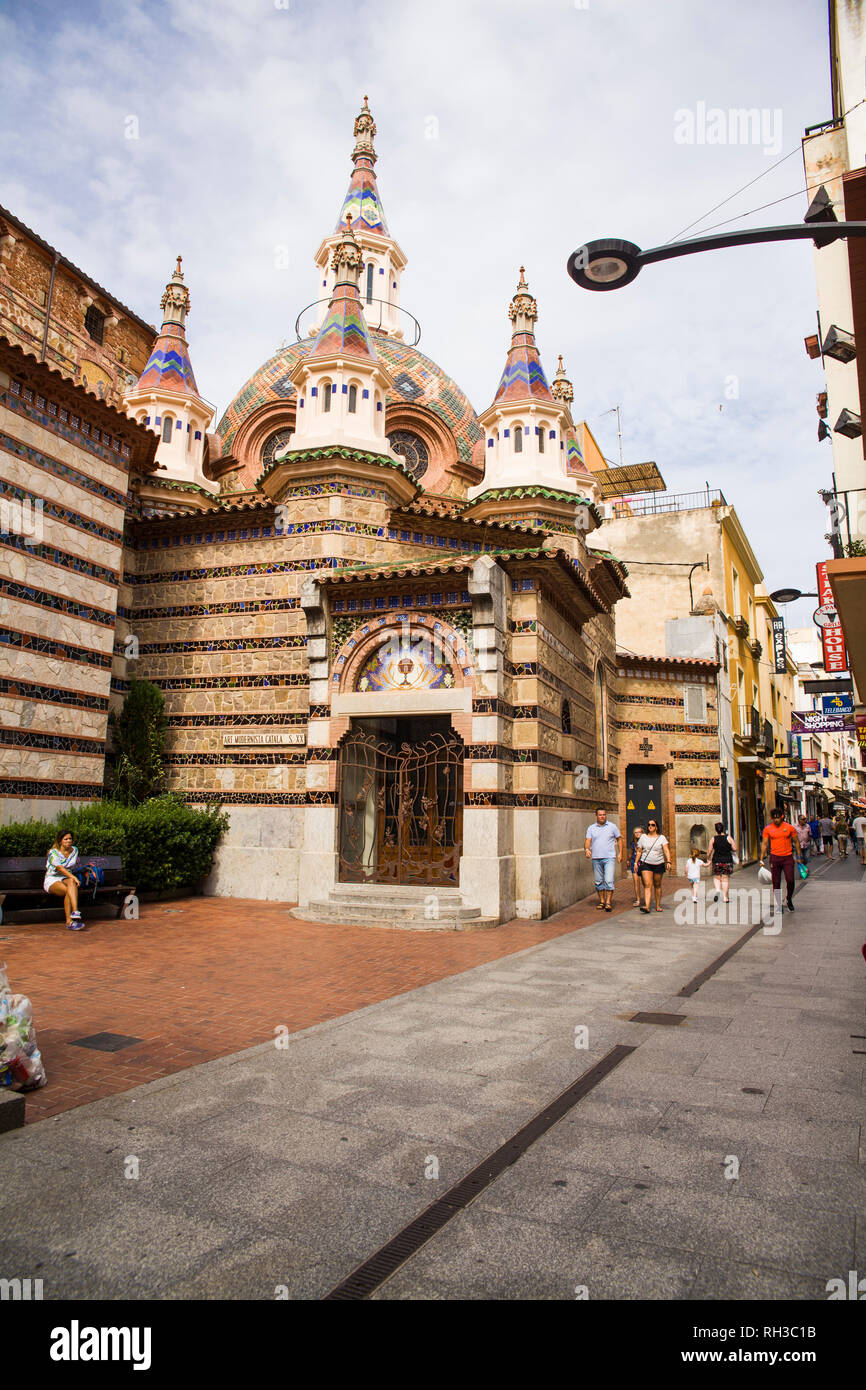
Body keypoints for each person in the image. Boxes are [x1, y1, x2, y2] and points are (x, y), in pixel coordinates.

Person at [759, 806, 802, 914]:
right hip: (775, 857)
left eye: (778, 817)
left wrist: (799, 856)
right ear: (771, 818)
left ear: (782, 817)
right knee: (776, 882)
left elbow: (796, 841)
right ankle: (778, 903)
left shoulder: (789, 828)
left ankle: (789, 899)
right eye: (774, 818)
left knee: (790, 880)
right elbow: (764, 843)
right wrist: (761, 858)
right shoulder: (768, 829)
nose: (776, 820)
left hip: (787, 857)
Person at [44, 829, 85, 930]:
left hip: (66, 877)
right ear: (60, 841)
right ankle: (69, 922)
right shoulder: (53, 853)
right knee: (69, 891)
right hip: (52, 878)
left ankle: (75, 912)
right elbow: (60, 868)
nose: (68, 841)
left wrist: (71, 877)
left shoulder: (74, 850)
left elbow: (70, 867)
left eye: (70, 839)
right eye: (65, 839)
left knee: (71, 884)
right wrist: (73, 877)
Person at [584, 807, 622, 912]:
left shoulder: (612, 826)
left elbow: (619, 839)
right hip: (596, 858)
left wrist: (620, 853)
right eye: (600, 815)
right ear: (596, 816)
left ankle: (608, 902)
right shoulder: (591, 828)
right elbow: (588, 840)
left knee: (609, 880)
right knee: (598, 881)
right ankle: (602, 901)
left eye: (604, 814)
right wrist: (587, 849)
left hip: (609, 857)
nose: (602, 817)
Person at [636, 819, 672, 914]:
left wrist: (668, 861)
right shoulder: (643, 837)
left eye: (652, 825)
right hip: (646, 863)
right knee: (647, 885)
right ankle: (647, 906)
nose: (650, 826)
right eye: (649, 825)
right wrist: (636, 862)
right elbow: (639, 851)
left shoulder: (662, 838)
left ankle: (658, 905)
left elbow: (666, 850)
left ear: (656, 827)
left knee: (657, 885)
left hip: (658, 863)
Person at [709, 821, 737, 903]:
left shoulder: (713, 839)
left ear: (716, 830)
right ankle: (725, 897)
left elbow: (709, 850)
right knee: (725, 879)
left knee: (717, 877)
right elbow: (735, 848)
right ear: (723, 829)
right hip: (727, 861)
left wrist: (708, 858)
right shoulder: (728, 838)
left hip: (717, 860)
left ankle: (718, 890)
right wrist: (729, 849)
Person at [627, 825, 644, 908]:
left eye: (639, 832)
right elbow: (631, 853)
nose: (637, 834)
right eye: (636, 832)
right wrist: (628, 860)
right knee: (636, 882)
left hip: (643, 863)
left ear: (642, 833)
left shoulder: (645, 842)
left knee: (645, 882)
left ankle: (646, 898)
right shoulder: (633, 843)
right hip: (634, 863)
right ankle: (638, 899)